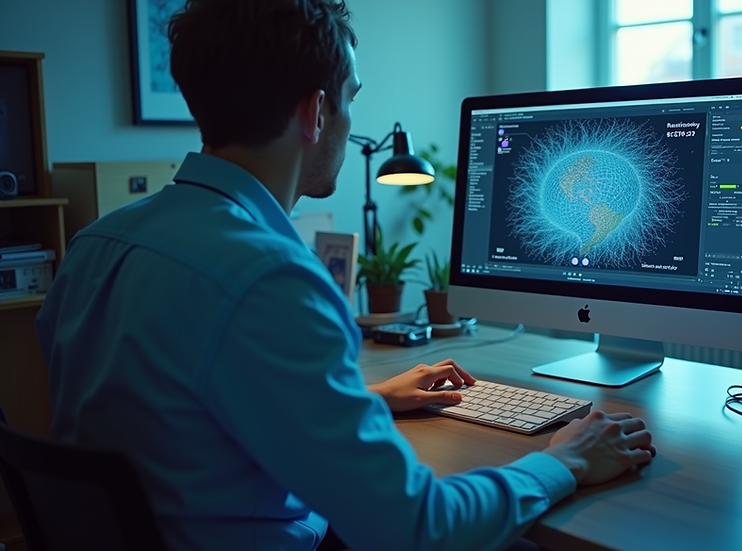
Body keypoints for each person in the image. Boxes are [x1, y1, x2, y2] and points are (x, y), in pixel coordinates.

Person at [34, 1, 657, 550]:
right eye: (351, 99)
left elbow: (184, 421)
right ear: (316, 111)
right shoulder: (271, 280)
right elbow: (418, 530)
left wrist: (361, 402)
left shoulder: (96, 244)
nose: (351, 120)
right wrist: (565, 461)